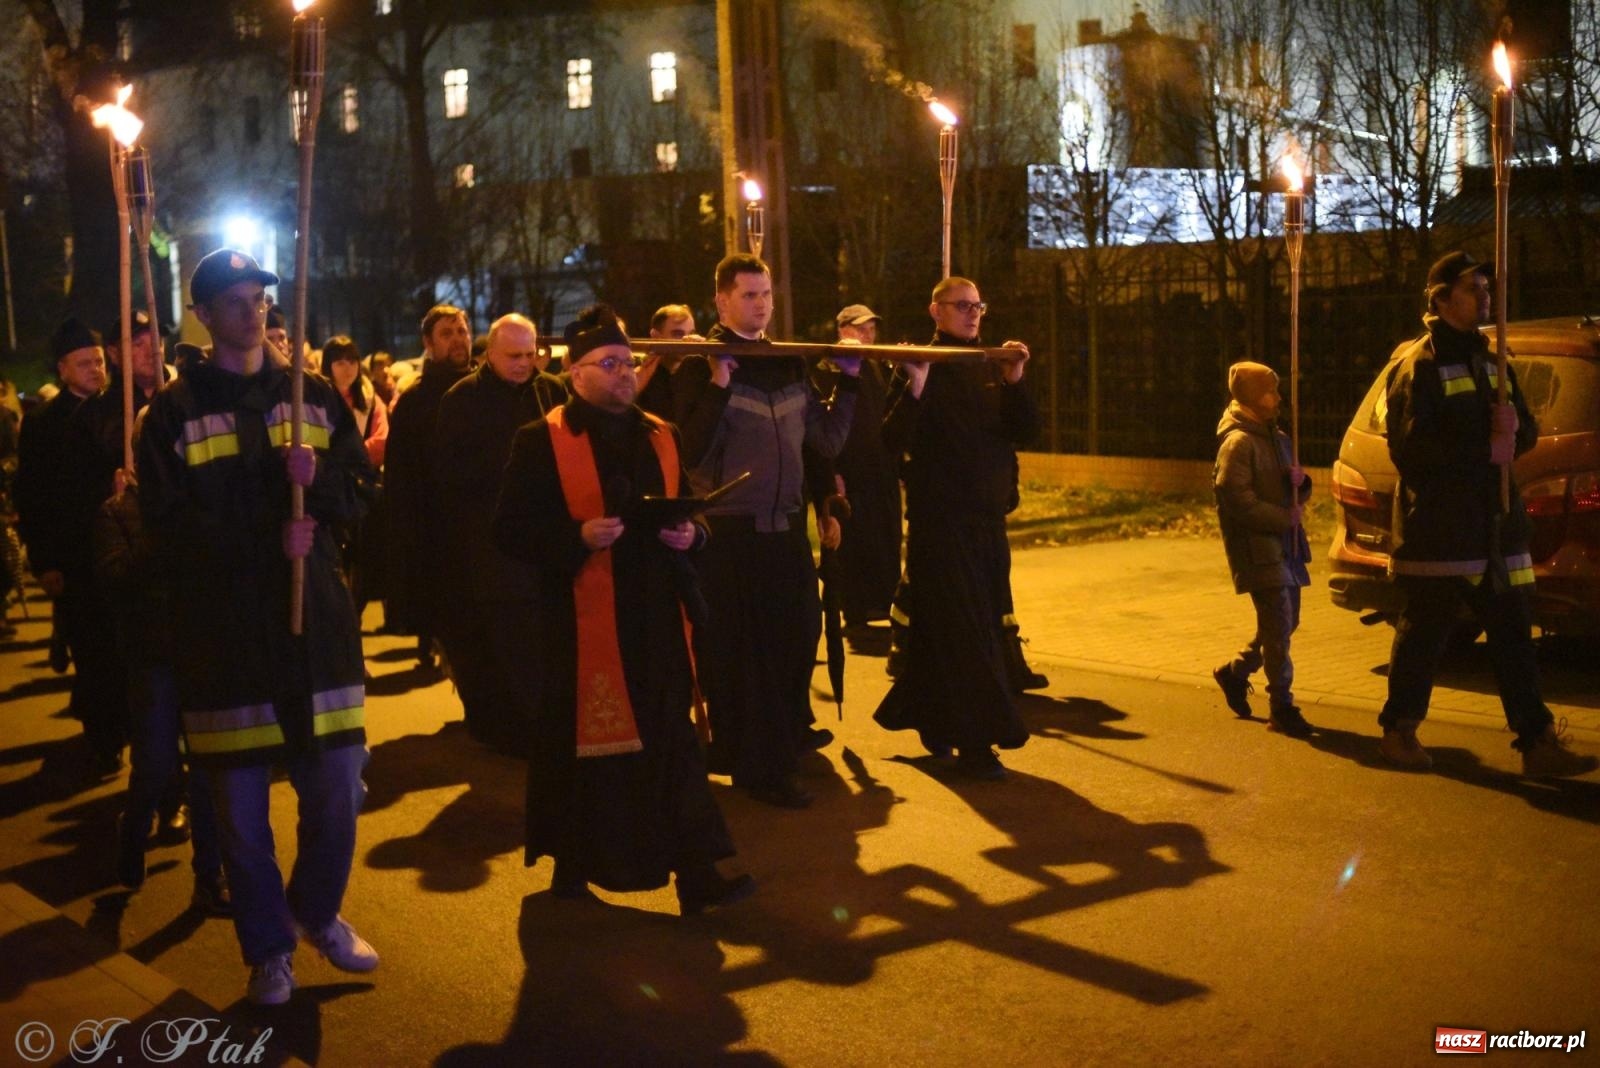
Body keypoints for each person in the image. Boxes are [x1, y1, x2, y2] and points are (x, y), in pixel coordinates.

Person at [136, 248, 379, 1005]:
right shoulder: (170, 415)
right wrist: (265, 538)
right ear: (203, 316)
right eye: (235, 302)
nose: (255, 312)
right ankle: (269, 948)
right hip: (226, 639)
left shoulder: (311, 397)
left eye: (261, 298)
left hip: (318, 637)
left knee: (339, 789)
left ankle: (316, 912)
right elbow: (165, 528)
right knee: (240, 818)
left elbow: (364, 496)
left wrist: (325, 486)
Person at [492, 304, 754, 915]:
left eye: (627, 363)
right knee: (580, 753)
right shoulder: (542, 440)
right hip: (581, 624)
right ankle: (573, 860)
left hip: (656, 617)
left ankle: (697, 870)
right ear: (575, 372)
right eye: (607, 364)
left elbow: (687, 505)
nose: (623, 374)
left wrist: (694, 534)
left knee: (671, 745)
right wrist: (576, 538)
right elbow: (508, 531)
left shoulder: (660, 433)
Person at [1375, 251, 1598, 777]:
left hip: (1497, 524)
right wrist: (1484, 444)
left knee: (1515, 634)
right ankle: (1399, 731)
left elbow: (1527, 432)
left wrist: (1514, 433)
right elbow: (1411, 450)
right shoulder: (1418, 367)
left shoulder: (1493, 361)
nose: (1485, 297)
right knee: (1426, 633)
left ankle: (1536, 741)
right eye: (1473, 288)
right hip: (1441, 529)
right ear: (1442, 298)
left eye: (1486, 288)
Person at [675, 255, 859, 808]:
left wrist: (848, 385)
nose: (762, 304)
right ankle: (759, 767)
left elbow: (822, 443)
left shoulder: (787, 363)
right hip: (731, 536)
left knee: (797, 641)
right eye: (750, 295)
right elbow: (691, 452)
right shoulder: (698, 362)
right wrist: (717, 385)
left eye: (767, 294)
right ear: (723, 301)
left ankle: (769, 748)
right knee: (741, 656)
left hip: (785, 533)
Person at [872, 277, 1037, 780]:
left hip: (986, 523)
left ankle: (932, 719)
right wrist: (917, 385)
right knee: (964, 632)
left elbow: (1024, 433)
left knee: (969, 626)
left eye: (977, 305)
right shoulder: (920, 363)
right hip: (940, 523)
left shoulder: (988, 363)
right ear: (936, 311)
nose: (972, 313)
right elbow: (891, 440)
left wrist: (1016, 381)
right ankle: (977, 740)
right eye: (961, 306)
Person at [432, 313, 564, 753]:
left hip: (548, 544)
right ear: (489, 354)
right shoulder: (462, 400)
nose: (525, 363)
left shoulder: (551, 391)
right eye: (514, 356)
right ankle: (521, 734)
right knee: (513, 646)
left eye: (531, 354)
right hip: (493, 548)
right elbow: (449, 478)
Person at [15, 318, 112, 771]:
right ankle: (104, 736)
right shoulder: (42, 425)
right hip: (75, 558)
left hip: (121, 553)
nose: (95, 369)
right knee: (92, 652)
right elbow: (32, 498)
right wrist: (45, 561)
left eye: (98, 360)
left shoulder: (121, 409)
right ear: (63, 369)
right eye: (84, 363)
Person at [1209, 361, 1314, 736]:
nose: (1278, 397)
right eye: (1271, 390)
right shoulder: (1238, 443)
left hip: (1286, 545)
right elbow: (1237, 498)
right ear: (1253, 397)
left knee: (1286, 623)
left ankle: (1235, 672)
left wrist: (1300, 484)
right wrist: (1281, 517)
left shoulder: (1276, 437)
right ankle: (1281, 706)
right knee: (1278, 625)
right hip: (1257, 548)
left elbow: (1291, 489)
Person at [384, 304, 472, 671]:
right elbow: (402, 481)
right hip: (437, 532)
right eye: (447, 334)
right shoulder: (415, 402)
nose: (458, 341)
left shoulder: (485, 388)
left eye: (462, 331)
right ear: (428, 343)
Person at [814, 304, 902, 629]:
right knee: (854, 540)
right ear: (843, 330)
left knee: (885, 535)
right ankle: (855, 609)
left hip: (881, 468)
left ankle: (883, 602)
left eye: (871, 328)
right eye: (861, 328)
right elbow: (823, 424)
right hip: (849, 471)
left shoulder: (876, 366)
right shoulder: (828, 369)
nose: (868, 335)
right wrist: (831, 471)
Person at [323, 336, 388, 619]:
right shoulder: (317, 396)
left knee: (361, 564)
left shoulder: (369, 398)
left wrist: (350, 457)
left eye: (352, 361)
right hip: (327, 490)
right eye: (339, 362)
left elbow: (382, 439)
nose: (347, 368)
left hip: (360, 492)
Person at [635, 303, 697, 423]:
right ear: (655, 336)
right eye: (678, 334)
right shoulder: (641, 376)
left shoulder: (697, 373)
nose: (687, 340)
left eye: (691, 333)